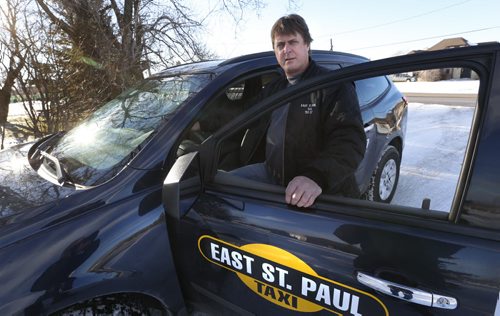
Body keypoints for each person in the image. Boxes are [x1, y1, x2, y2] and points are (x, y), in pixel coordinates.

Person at [233, 14, 366, 208]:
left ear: (307, 45)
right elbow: (243, 115)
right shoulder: (275, 88)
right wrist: (199, 121)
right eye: (280, 45)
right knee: (219, 184)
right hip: (273, 175)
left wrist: (316, 177)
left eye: (293, 42)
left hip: (319, 187)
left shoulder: (333, 86)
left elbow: (350, 142)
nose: (286, 50)